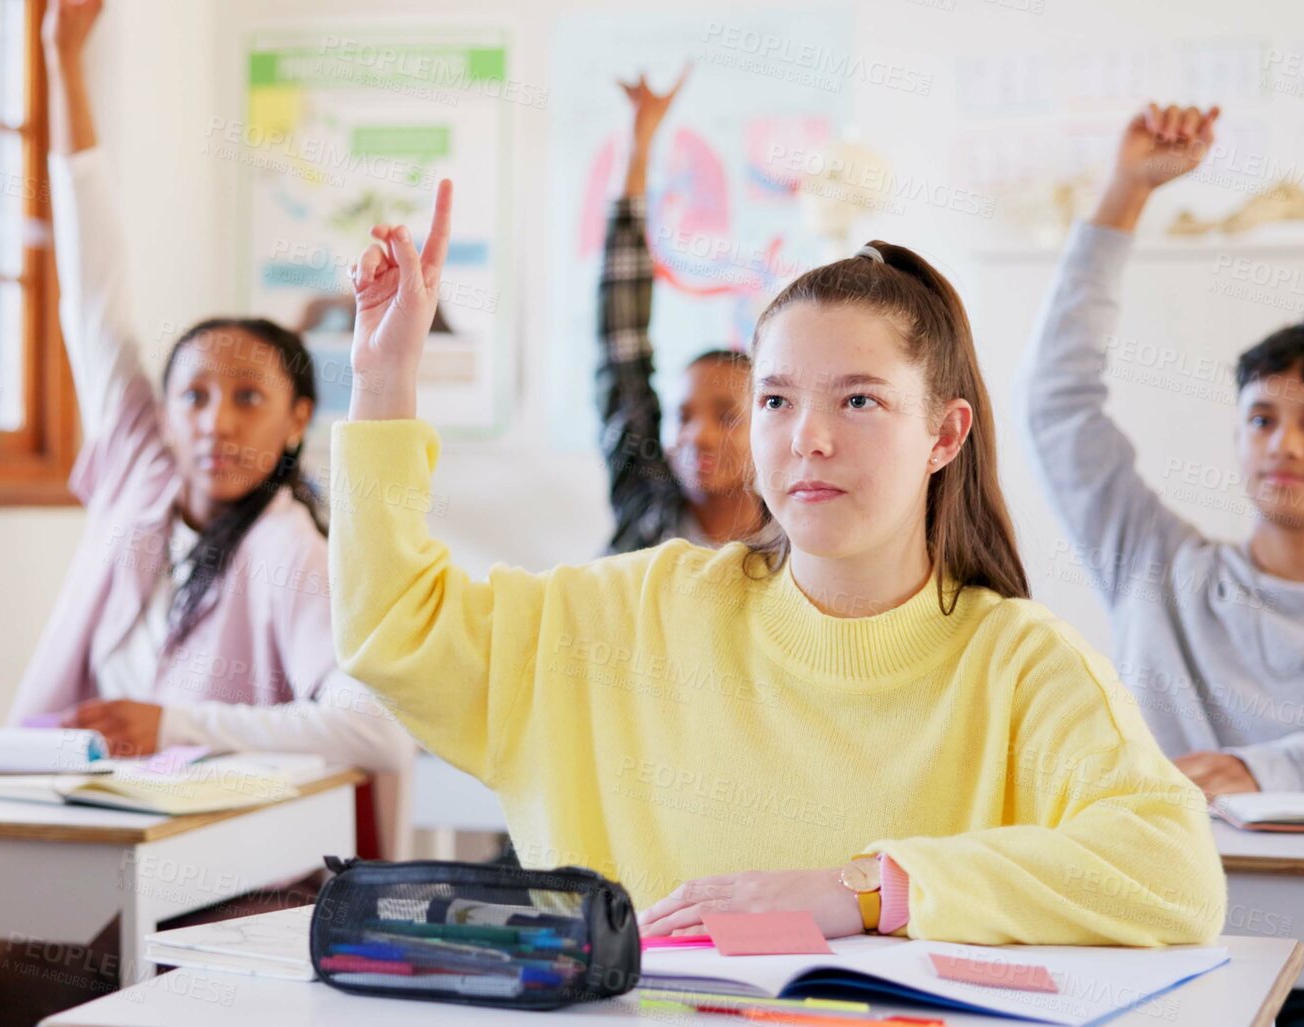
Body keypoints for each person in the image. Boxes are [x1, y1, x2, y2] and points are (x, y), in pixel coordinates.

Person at [328, 176, 1223, 945]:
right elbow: (392, 630)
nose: (809, 440)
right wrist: (381, 384)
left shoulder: (1019, 661)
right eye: (775, 399)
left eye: (860, 400)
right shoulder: (637, 611)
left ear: (944, 435)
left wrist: (865, 890)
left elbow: (1175, 869)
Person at [0, 2, 414, 1023]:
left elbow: (372, 726)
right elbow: (92, 291)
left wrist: (173, 722)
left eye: (249, 397)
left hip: (247, 879)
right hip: (96, 837)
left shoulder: (299, 551)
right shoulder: (137, 472)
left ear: (299, 418)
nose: (214, 421)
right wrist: (62, 63)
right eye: (193, 395)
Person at [1021, 102, 1304, 800]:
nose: (1283, 444)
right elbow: (1056, 402)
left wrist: (1264, 768)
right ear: (1236, 438)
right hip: (1156, 896)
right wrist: (1127, 191)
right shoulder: (1156, 566)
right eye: (1261, 419)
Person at [600, 66, 764, 553]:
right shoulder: (645, 506)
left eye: (727, 416)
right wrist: (639, 144)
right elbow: (619, 348)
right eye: (683, 417)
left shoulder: (799, 548)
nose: (699, 436)